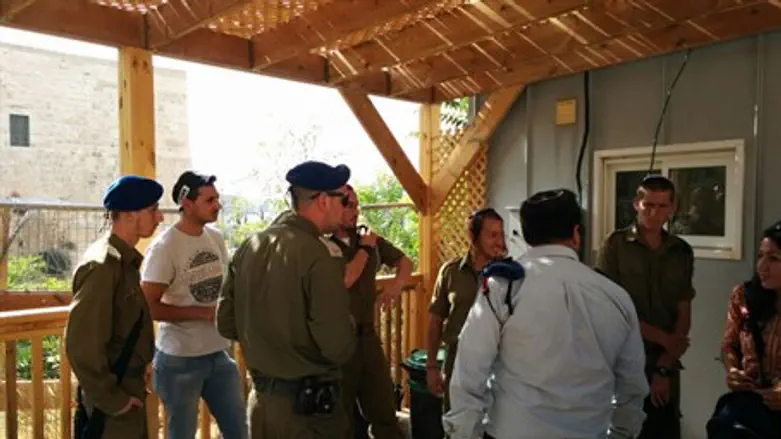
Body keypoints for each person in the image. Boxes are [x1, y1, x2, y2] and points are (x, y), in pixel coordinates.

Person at [443, 188, 648, 439]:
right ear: (576, 234)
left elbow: (470, 369)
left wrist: (463, 433)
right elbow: (632, 385)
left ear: (527, 235)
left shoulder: (505, 286)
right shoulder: (616, 297)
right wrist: (621, 433)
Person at [216, 160, 356, 439]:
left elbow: (226, 324)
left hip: (262, 407)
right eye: (343, 199)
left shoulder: (249, 246)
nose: (346, 207)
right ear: (324, 200)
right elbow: (337, 346)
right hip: (309, 415)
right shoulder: (319, 255)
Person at [140, 171, 247, 439]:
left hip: (219, 354)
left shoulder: (215, 237)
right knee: (181, 434)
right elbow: (148, 306)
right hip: (179, 359)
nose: (217, 205)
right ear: (187, 204)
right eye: (209, 200)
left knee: (239, 431)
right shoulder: (165, 247)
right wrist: (202, 313)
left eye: (217, 198)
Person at [65, 175, 164, 439]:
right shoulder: (102, 266)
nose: (160, 217)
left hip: (125, 389)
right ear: (130, 215)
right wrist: (113, 399)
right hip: (113, 399)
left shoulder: (122, 263)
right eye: (153, 210)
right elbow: (81, 344)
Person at [596, 175, 695, 439]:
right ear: (636, 204)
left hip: (665, 361)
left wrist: (665, 364)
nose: (654, 212)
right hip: (624, 359)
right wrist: (664, 338)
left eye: (662, 206)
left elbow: (683, 309)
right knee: (623, 430)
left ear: (672, 209)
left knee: (664, 429)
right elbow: (610, 309)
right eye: (648, 204)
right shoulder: (615, 245)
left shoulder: (681, 251)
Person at [329, 185, 414, 439]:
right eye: (348, 205)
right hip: (338, 341)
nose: (354, 211)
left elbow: (405, 262)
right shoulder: (323, 244)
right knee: (339, 417)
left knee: (383, 406)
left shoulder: (367, 237)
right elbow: (346, 278)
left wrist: (397, 286)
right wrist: (365, 250)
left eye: (356, 205)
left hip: (368, 337)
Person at [706, 220, 781, 438]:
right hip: (751, 411)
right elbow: (729, 344)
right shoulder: (744, 296)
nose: (762, 267)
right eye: (760, 256)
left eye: (774, 259)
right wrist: (733, 372)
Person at [426, 208, 506, 411]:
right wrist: (432, 366)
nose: (499, 241)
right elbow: (435, 319)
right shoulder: (451, 272)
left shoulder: (509, 276)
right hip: (457, 361)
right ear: (473, 236)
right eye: (492, 235)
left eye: (501, 234)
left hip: (497, 363)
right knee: (456, 421)